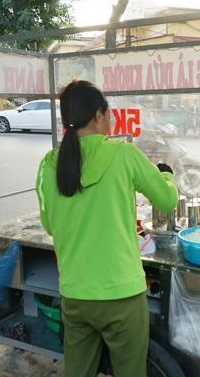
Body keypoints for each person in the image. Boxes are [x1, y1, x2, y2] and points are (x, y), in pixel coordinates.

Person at [35, 80, 178, 377]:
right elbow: (167, 199)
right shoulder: (124, 154)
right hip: (122, 296)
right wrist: (166, 176)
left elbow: (49, 225)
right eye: (108, 113)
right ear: (99, 115)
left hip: (75, 294)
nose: (110, 119)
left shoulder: (50, 163)